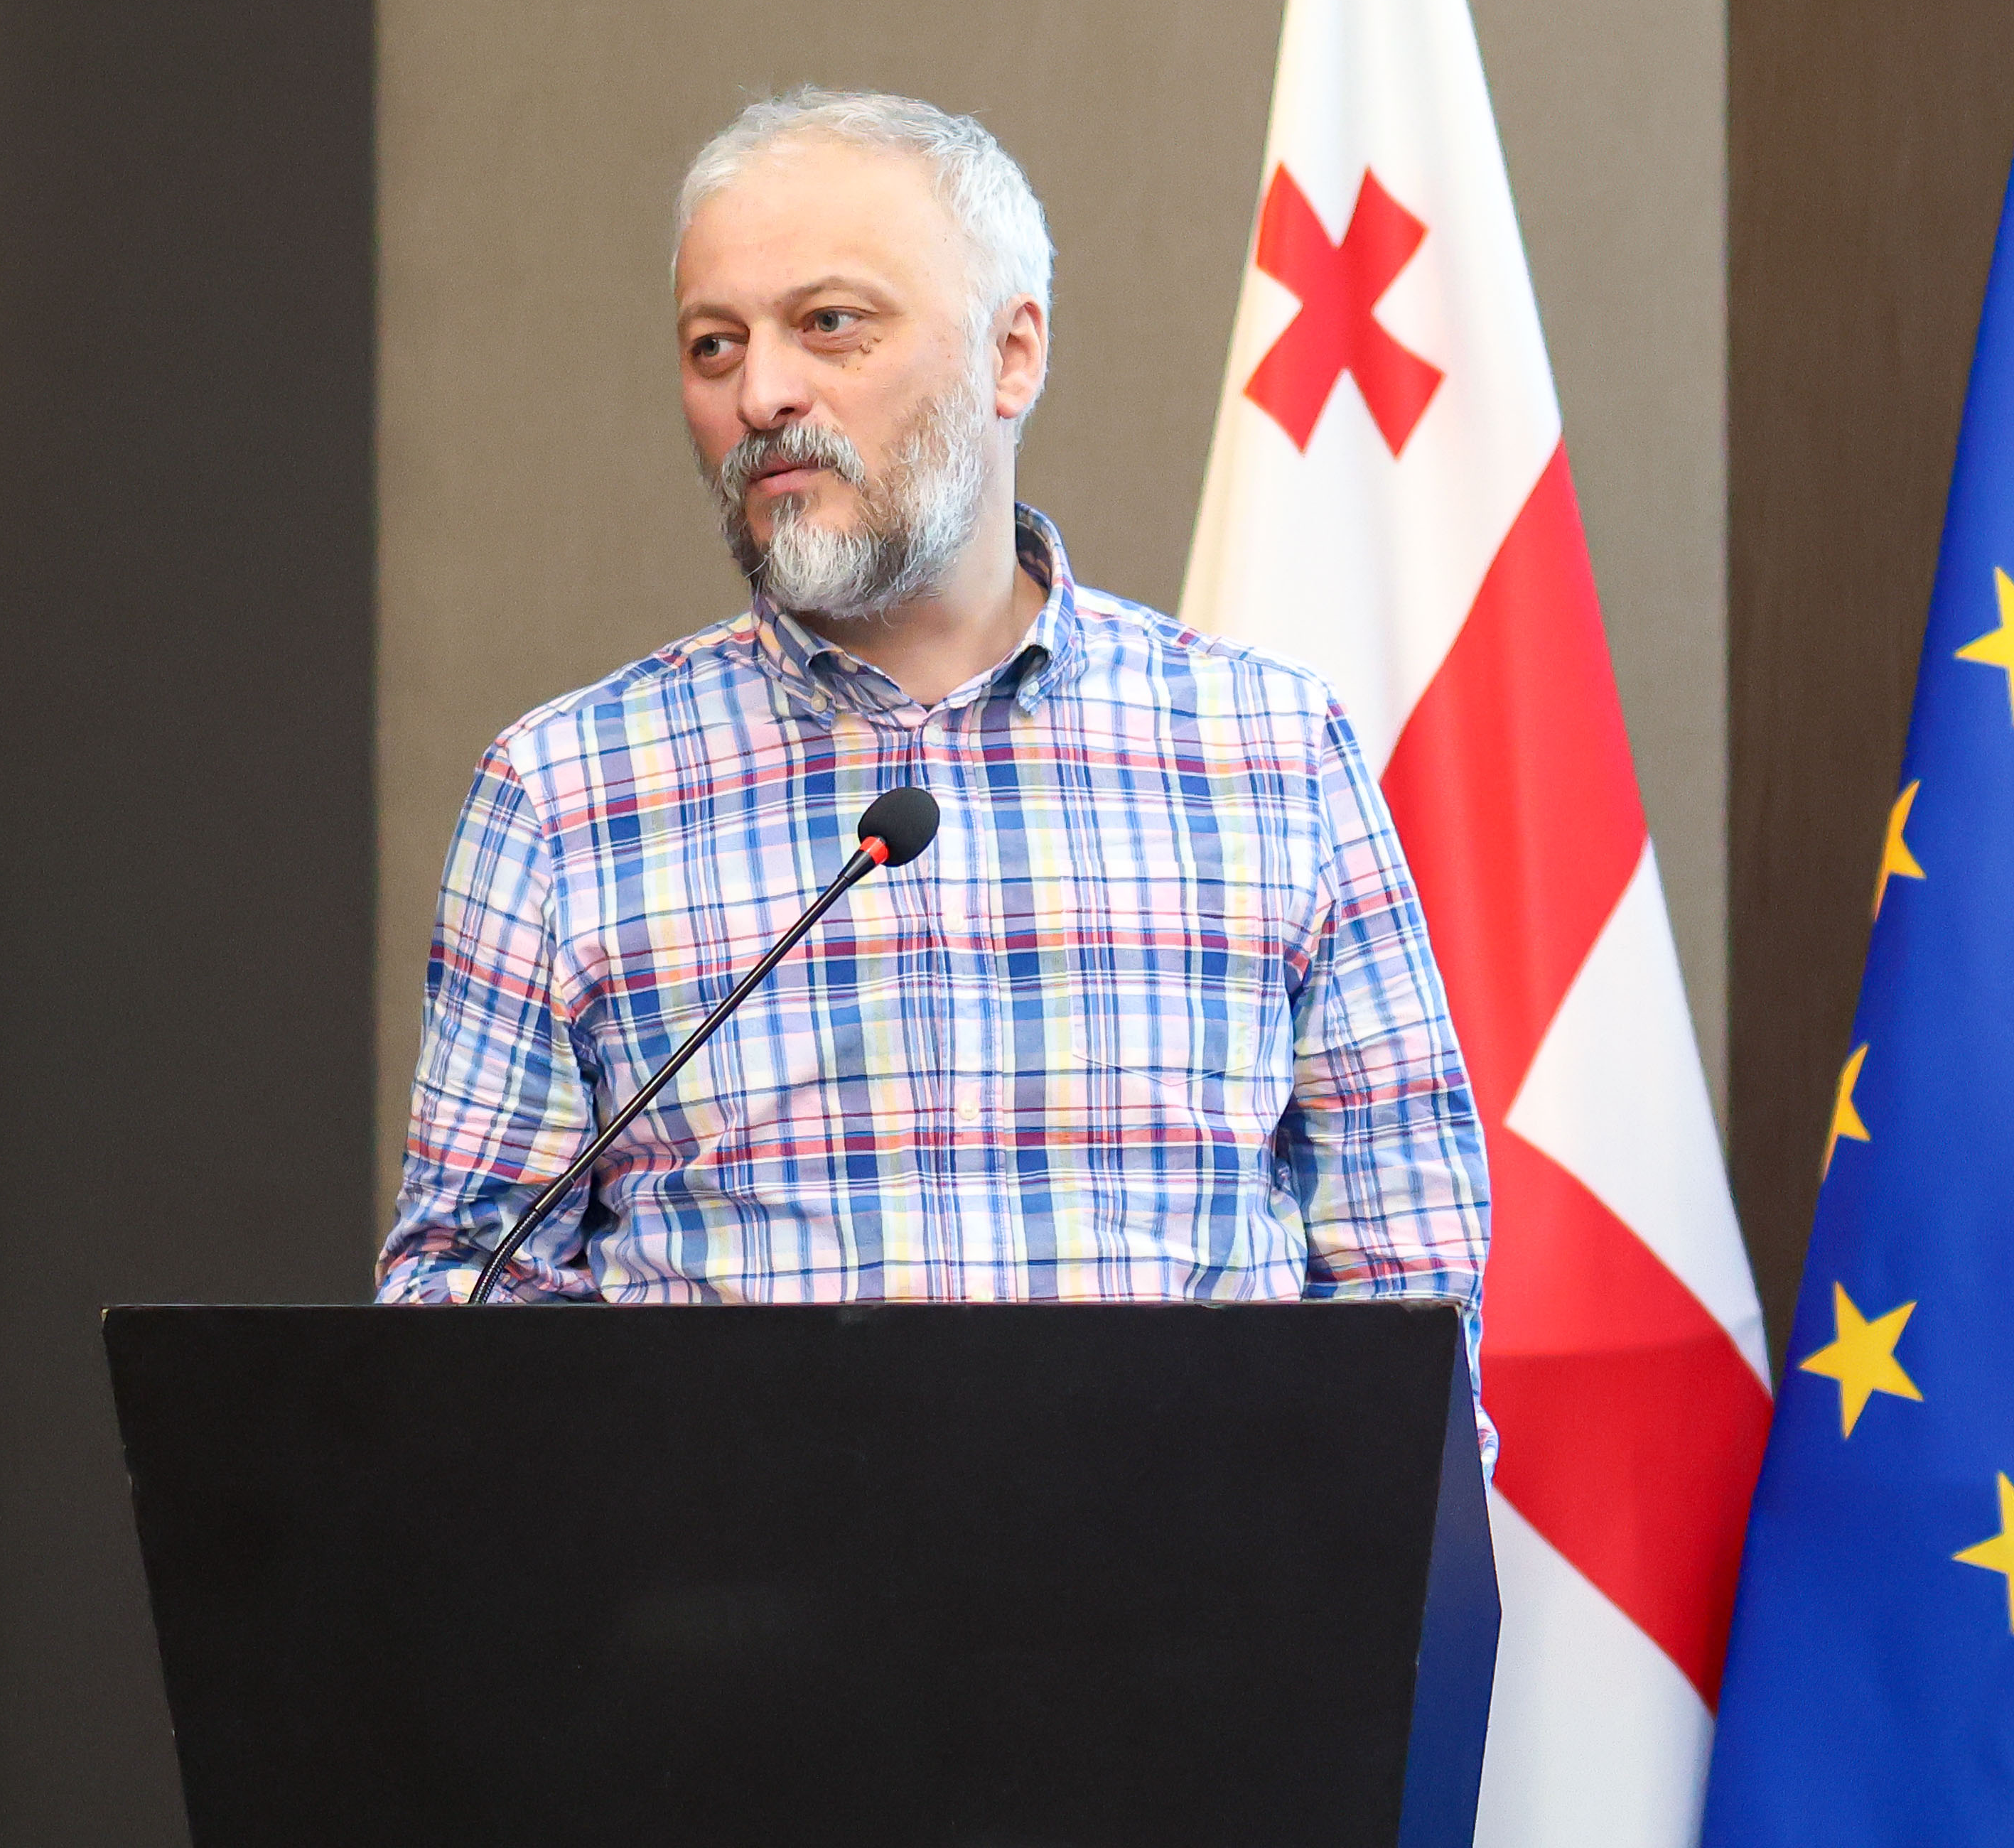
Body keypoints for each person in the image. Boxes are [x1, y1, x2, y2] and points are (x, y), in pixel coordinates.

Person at [374, 86, 1487, 1326]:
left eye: (829, 324)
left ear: (1011, 355)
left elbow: (1409, 1278)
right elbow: (463, 1296)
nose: (761, 395)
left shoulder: (1267, 750)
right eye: (714, 345)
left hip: (1182, 1469)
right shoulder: (565, 794)